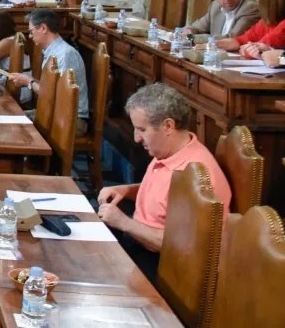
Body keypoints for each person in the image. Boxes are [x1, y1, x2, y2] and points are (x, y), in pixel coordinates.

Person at [96, 83, 231, 284]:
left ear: (168, 126)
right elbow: (164, 197)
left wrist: (124, 223)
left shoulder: (195, 177)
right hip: (139, 240)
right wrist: (126, 190)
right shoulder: (171, 151)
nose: (136, 138)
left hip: (162, 266)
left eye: (142, 129)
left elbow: (180, 246)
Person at [10, 8, 89, 135]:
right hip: (56, 113)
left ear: (43, 28)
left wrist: (29, 82)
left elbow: (57, 95)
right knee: (12, 116)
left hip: (72, 119)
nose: (30, 36)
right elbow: (50, 88)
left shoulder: (64, 54)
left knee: (17, 128)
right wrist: (29, 80)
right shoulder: (52, 51)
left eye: (31, 31)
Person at [206, 0, 285, 53]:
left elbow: (255, 50)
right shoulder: (268, 20)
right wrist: (216, 44)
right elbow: (244, 39)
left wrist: (246, 48)